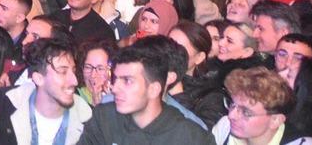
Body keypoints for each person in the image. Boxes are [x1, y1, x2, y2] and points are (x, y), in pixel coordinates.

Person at [0, 37, 94, 145]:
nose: (74, 81)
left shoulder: (89, 119)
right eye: (63, 71)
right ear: (38, 78)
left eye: (74, 71)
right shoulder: (9, 100)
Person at [75, 42, 214, 145]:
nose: (115, 88)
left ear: (153, 89)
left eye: (127, 81)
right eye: (116, 79)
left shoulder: (191, 137)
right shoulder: (104, 118)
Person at [211, 66, 312, 145]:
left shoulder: (302, 143)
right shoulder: (225, 126)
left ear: (275, 120)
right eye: (232, 104)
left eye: (246, 112)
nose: (231, 115)